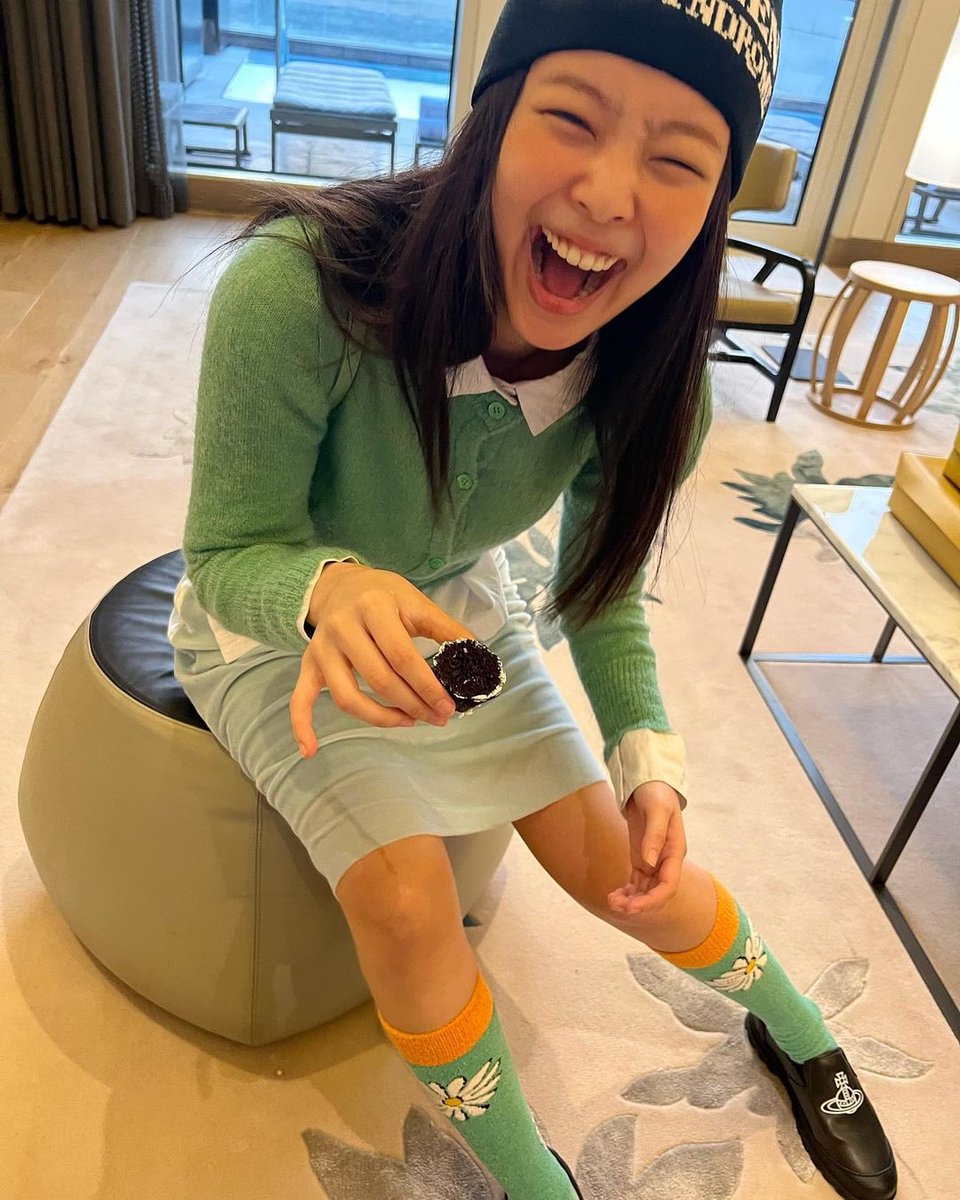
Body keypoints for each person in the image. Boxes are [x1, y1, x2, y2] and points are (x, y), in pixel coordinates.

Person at [168, 2, 897, 1197]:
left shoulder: (651, 379)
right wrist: (331, 588)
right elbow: (229, 550)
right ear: (493, 121)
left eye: (677, 160)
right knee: (406, 902)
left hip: (458, 604)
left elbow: (597, 586)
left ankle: (799, 1028)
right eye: (572, 119)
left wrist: (645, 751)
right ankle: (534, 1180)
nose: (610, 195)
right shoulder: (296, 290)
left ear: (716, 206)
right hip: (273, 626)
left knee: (626, 862)